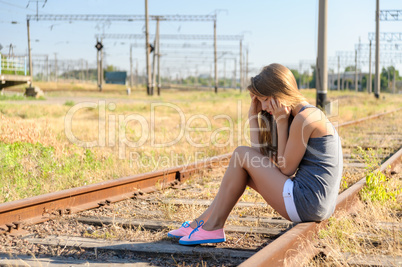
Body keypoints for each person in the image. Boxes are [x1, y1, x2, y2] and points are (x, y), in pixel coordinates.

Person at [168, 63, 343, 245]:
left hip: (307, 203)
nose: (264, 106)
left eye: (265, 99)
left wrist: (281, 122)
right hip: (312, 204)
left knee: (240, 153)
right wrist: (253, 115)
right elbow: (259, 159)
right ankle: (203, 223)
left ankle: (212, 226)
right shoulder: (300, 115)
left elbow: (286, 170)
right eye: (259, 100)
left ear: (280, 92)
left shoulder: (305, 119)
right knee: (242, 162)